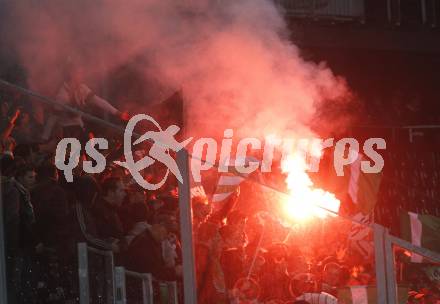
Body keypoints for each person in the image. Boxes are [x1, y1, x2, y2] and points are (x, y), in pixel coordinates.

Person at [92, 176, 127, 253]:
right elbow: (102, 237)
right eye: (121, 191)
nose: (125, 194)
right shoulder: (100, 211)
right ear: (110, 192)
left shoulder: (111, 210)